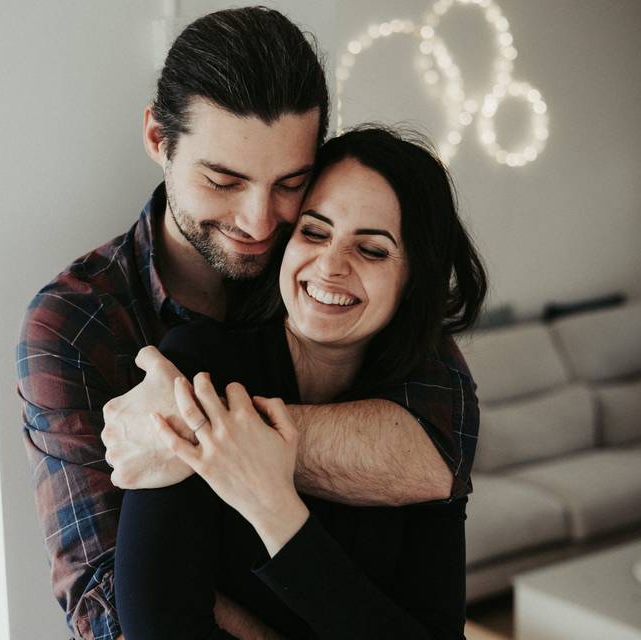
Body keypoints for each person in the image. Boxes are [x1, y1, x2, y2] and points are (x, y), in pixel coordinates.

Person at [16, 8, 483, 639]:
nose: (261, 223)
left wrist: (199, 434)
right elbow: (108, 611)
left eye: (290, 183)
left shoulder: (329, 281)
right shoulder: (78, 323)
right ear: (159, 139)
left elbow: (433, 455)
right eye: (223, 180)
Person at [113, 126, 486, 640]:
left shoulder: (418, 418)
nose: (331, 265)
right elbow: (156, 627)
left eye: (372, 250)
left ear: (413, 279)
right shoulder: (199, 366)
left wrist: (275, 509)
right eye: (314, 231)